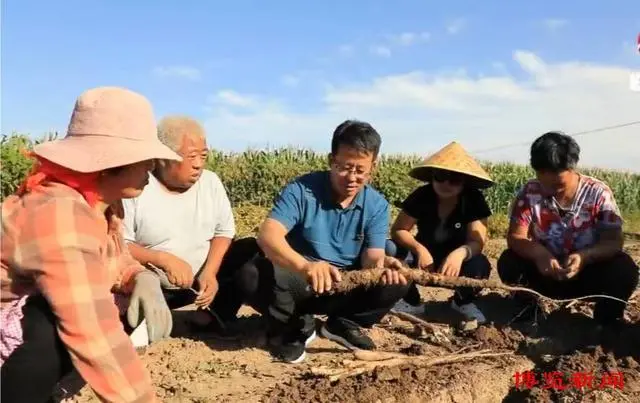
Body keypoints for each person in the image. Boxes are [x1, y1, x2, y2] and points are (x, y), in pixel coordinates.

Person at [1, 87, 181, 402]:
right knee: (49, 323)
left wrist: (140, 277)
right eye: (144, 160)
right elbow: (93, 333)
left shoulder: (101, 206)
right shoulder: (59, 213)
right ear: (110, 164)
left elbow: (112, 261)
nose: (151, 170)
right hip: (13, 334)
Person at [238, 120, 410, 363]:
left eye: (360, 170)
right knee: (250, 273)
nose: (352, 177)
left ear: (374, 166)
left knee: (397, 280)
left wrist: (383, 266)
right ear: (332, 160)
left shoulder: (377, 205)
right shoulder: (302, 190)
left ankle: (343, 324)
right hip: (299, 282)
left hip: (344, 284)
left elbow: (372, 257)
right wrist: (306, 267)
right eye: (344, 167)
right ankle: (296, 326)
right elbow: (268, 235)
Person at [122, 116, 260, 335]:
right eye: (191, 156)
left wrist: (210, 272)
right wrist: (162, 259)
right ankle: (143, 318)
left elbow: (223, 232)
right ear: (163, 157)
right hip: (156, 285)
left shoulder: (210, 182)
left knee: (249, 249)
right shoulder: (136, 187)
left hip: (200, 284)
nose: (198, 164)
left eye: (203, 156)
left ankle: (211, 315)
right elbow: (121, 244)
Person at [497, 131, 639, 327]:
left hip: (587, 275)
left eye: (558, 185)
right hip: (545, 273)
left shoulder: (597, 193)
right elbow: (515, 237)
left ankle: (607, 320)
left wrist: (585, 257)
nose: (550, 191)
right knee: (509, 261)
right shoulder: (530, 192)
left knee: (625, 270)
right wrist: (539, 254)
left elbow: (613, 242)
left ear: (572, 168)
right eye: (543, 181)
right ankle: (528, 310)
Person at [386, 141, 494, 324]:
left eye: (454, 179)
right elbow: (398, 230)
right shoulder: (422, 195)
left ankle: (462, 301)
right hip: (422, 258)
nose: (446, 183)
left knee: (480, 265)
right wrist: (419, 249)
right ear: (432, 176)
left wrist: (459, 254)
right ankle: (410, 300)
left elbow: (478, 241)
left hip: (457, 262)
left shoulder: (474, 200)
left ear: (464, 182)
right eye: (440, 176)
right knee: (389, 249)